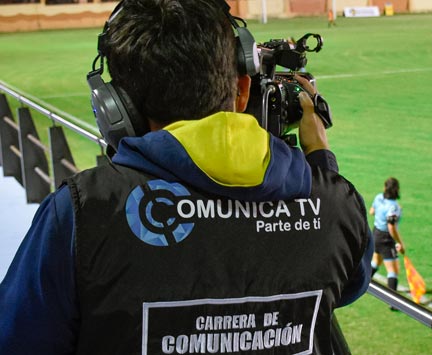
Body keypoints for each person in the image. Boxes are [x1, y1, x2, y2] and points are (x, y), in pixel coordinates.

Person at [0, 0, 373, 354]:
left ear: (114, 109)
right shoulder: (335, 205)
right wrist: (320, 159)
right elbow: (347, 282)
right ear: (243, 90)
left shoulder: (78, 216)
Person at [369, 178, 406, 296]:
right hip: (386, 239)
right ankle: (393, 301)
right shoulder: (393, 207)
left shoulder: (379, 197)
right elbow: (391, 227)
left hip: (375, 233)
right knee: (393, 271)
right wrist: (400, 243)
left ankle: (362, 284)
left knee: (376, 261)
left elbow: (371, 211)